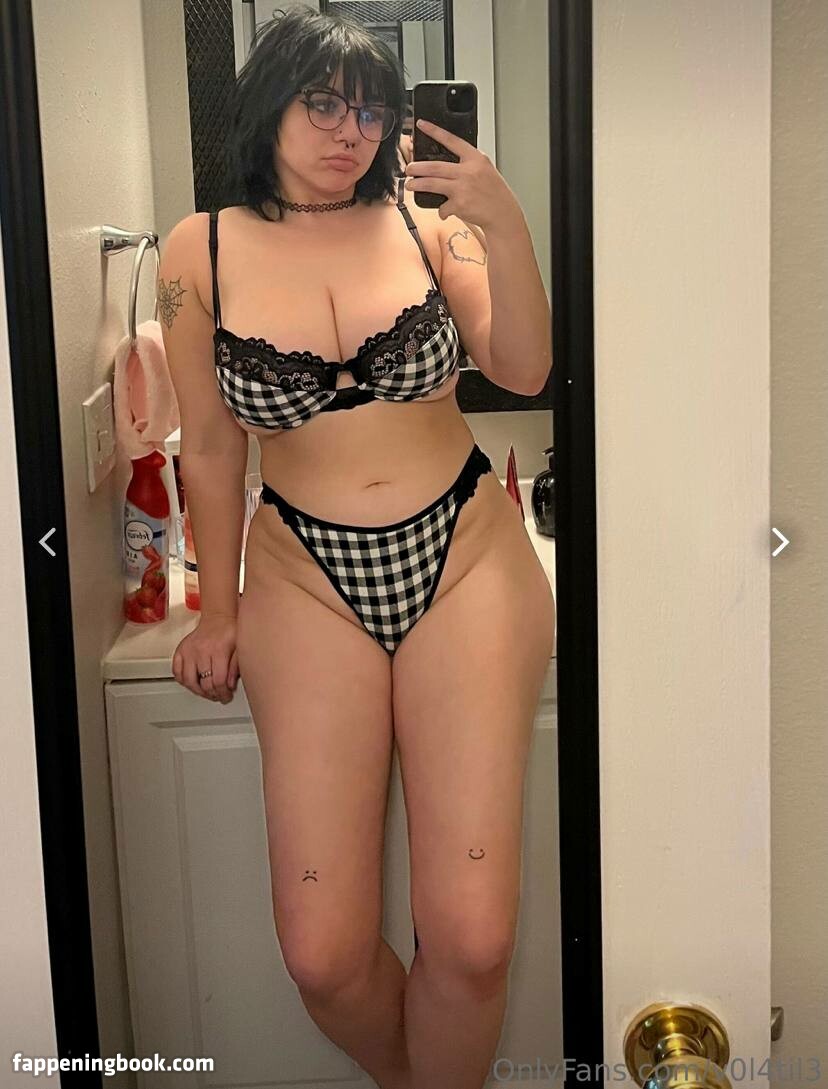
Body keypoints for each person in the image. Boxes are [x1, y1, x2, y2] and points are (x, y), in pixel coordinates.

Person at [158, 7, 555, 1089]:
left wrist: (504, 220)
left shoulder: (432, 228)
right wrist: (219, 610)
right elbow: (211, 446)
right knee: (323, 955)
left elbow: (523, 367)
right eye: (323, 103)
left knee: (473, 939)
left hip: (465, 559)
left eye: (373, 111)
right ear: (269, 104)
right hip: (304, 576)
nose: (351, 131)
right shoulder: (201, 250)